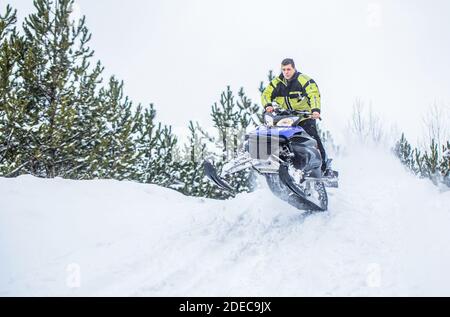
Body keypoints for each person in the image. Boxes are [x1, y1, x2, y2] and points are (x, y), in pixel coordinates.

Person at [261, 58, 330, 174]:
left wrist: (315, 110)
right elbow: (266, 94)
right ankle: (276, 161)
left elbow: (313, 94)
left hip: (305, 116)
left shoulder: (303, 80)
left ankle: (324, 166)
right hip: (287, 117)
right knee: (277, 135)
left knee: (313, 137)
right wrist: (268, 105)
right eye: (284, 70)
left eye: (288, 69)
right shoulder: (277, 82)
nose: (286, 72)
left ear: (294, 68)